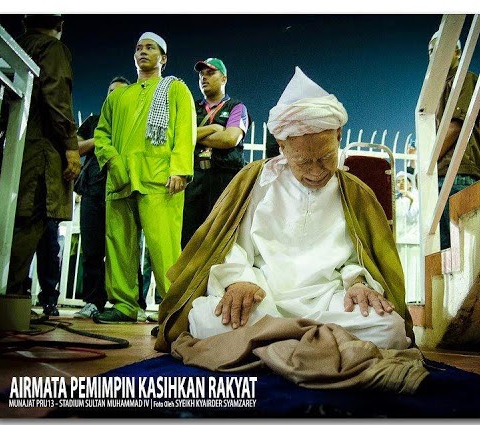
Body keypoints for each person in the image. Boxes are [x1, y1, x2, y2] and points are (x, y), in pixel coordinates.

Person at [155, 67, 415, 352]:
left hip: (329, 298)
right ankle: (317, 344)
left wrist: (358, 283)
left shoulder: (354, 193)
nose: (316, 171)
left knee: (389, 328)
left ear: (338, 136)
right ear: (282, 146)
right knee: (206, 320)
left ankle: (276, 343)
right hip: (262, 296)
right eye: (303, 161)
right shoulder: (255, 181)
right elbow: (231, 246)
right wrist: (239, 281)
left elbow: (357, 259)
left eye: (326, 157)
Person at [93, 32, 195, 323]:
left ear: (163, 58)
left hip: (160, 179)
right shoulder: (118, 96)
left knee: (164, 247)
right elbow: (101, 134)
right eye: (139, 48)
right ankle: (124, 305)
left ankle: (174, 311)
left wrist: (180, 169)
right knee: (119, 244)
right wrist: (113, 161)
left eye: (150, 48)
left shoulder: (175, 90)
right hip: (121, 179)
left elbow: (185, 130)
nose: (143, 52)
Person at [5, 14, 81, 299]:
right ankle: (8, 297)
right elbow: (56, 95)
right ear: (60, 25)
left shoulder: (13, 46)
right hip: (39, 150)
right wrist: (71, 145)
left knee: (6, 219)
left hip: (9, 146)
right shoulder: (51, 48)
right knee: (30, 218)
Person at [73, 76, 130, 318]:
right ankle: (93, 301)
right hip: (93, 191)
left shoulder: (132, 124)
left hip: (122, 192)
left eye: (120, 92)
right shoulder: (93, 121)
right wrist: (101, 139)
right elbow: (76, 148)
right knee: (91, 249)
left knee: (124, 249)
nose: (114, 96)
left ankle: (128, 303)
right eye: (111, 91)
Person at [429, 31, 480, 250]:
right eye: (430, 52)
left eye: (438, 49)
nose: (433, 55)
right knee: (447, 250)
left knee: (457, 251)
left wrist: (428, 163)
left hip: (458, 173)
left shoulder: (463, 78)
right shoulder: (438, 89)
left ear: (456, 52)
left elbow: (456, 126)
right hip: (444, 173)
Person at [181, 58, 250, 249]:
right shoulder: (191, 107)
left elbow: (230, 139)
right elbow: (178, 137)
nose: (204, 78)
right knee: (188, 241)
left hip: (224, 181)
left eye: (210, 73)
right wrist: (213, 128)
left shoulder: (236, 107)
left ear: (224, 78)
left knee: (222, 242)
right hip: (193, 182)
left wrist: (193, 136)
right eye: (201, 75)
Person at [395, 170, 421, 303]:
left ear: (410, 184)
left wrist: (411, 199)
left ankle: (413, 298)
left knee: (413, 270)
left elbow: (412, 217)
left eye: (403, 181)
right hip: (399, 241)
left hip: (412, 241)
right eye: (398, 181)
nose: (400, 184)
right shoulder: (397, 200)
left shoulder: (416, 197)